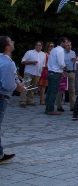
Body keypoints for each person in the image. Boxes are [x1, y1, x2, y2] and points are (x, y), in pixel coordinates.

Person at [0, 36, 26, 164]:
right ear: (7, 47)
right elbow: (7, 85)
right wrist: (18, 86)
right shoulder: (7, 63)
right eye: (11, 41)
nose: (13, 42)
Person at [45, 37, 68, 116]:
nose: (66, 44)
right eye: (65, 42)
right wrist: (65, 67)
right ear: (62, 43)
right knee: (53, 92)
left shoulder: (53, 50)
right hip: (56, 73)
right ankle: (51, 109)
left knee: (49, 91)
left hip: (50, 72)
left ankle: (47, 108)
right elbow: (61, 63)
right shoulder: (60, 51)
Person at [19, 41, 45, 108]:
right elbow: (23, 61)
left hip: (37, 73)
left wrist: (41, 72)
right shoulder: (29, 52)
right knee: (25, 86)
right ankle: (22, 101)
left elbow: (43, 64)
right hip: (29, 72)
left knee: (33, 88)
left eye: (39, 45)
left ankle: (29, 100)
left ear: (42, 47)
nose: (38, 46)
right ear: (35, 46)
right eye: (37, 45)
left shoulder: (43, 54)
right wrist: (31, 62)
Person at [56, 41, 77, 112]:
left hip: (71, 72)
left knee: (72, 90)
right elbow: (60, 62)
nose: (69, 46)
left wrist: (74, 69)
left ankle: (73, 106)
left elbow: (74, 62)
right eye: (67, 45)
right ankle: (59, 106)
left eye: (70, 45)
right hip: (64, 72)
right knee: (61, 90)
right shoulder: (62, 53)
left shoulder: (73, 53)